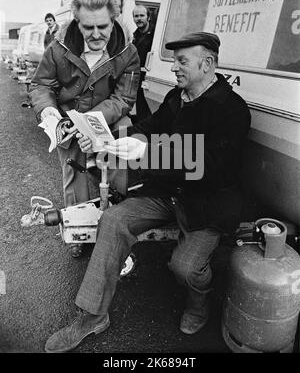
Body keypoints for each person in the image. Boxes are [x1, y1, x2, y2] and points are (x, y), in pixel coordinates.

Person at [44, 31, 251, 353]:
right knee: (113, 220)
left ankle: (199, 303)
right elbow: (147, 128)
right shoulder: (176, 97)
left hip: (207, 202)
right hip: (166, 192)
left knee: (185, 268)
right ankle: (93, 316)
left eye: (182, 61)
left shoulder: (232, 110)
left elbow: (210, 165)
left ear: (208, 63)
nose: (174, 69)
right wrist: (108, 139)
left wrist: (146, 152)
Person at [29, 0, 140, 258]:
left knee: (118, 162)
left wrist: (90, 121)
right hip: (68, 118)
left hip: (107, 117)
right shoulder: (58, 48)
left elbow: (124, 97)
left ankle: (118, 224)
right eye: (87, 27)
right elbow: (41, 84)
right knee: (74, 174)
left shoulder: (128, 51)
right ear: (76, 23)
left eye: (102, 26)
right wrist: (50, 113)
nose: (96, 34)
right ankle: (76, 230)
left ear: (113, 21)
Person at [132, 4, 154, 121]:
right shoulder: (135, 36)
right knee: (140, 110)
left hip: (149, 77)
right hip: (138, 78)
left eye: (142, 15)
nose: (139, 18)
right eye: (136, 16)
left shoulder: (155, 34)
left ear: (148, 17)